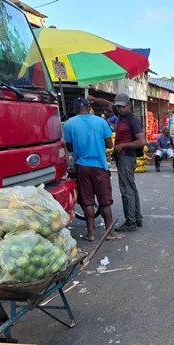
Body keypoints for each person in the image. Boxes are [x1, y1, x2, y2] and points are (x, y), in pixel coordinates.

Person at [63, 98, 123, 241]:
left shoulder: (69, 124)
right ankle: (110, 233)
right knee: (105, 201)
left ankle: (90, 234)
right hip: (99, 166)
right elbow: (109, 144)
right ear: (89, 107)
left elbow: (69, 148)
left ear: (75, 110)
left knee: (87, 202)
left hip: (81, 167)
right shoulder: (101, 122)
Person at [113, 93, 146, 232]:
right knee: (131, 188)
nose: (120, 109)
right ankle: (137, 218)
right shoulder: (121, 115)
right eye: (118, 107)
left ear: (129, 105)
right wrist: (96, 99)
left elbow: (142, 141)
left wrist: (123, 145)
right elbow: (108, 105)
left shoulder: (132, 120)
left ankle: (130, 221)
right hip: (123, 157)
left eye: (123, 106)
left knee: (127, 190)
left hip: (127, 157)